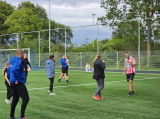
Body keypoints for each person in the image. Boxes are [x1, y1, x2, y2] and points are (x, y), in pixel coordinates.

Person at [8, 49, 29, 119]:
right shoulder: (18, 60)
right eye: (24, 53)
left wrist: (11, 79)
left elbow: (9, 70)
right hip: (17, 83)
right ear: (21, 53)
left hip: (12, 82)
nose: (24, 54)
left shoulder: (12, 60)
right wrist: (17, 79)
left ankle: (11, 116)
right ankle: (22, 116)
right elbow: (14, 69)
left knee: (15, 99)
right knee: (26, 98)